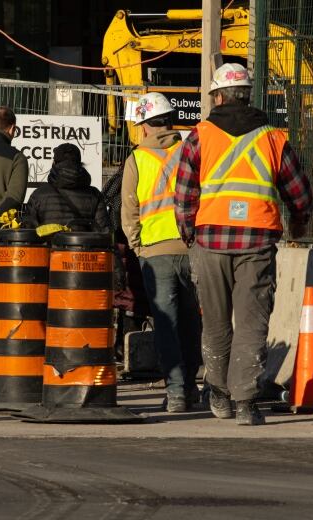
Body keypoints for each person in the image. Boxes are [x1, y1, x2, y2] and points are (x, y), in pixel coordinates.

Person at [174, 63, 313, 426]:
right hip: (257, 240)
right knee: (252, 322)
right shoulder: (272, 137)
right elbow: (298, 192)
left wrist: (189, 233)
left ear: (218, 96)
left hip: (211, 241)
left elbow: (185, 193)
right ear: (248, 95)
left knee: (216, 323)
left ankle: (219, 394)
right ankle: (247, 403)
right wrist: (298, 223)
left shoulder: (199, 135)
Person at [121, 92, 202, 413]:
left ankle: (178, 391)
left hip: (155, 253)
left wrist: (137, 245)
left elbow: (129, 209)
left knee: (166, 324)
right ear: (170, 121)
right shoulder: (189, 150)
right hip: (194, 247)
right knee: (192, 322)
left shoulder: (136, 159)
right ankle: (192, 386)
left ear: (144, 126)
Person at [23, 143, 110, 232]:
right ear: (79, 163)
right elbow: (103, 231)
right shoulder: (94, 194)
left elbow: (29, 232)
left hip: (48, 245)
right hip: (84, 245)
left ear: (54, 163)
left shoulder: (39, 194)